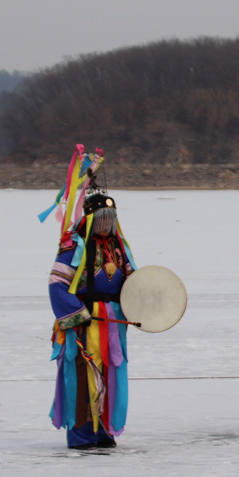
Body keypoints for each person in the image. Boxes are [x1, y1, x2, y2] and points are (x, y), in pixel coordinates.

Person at [44, 146, 136, 450]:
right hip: (86, 322)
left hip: (113, 322)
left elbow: (134, 282)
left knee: (111, 373)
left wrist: (141, 306)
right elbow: (57, 284)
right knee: (83, 376)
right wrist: (77, 314)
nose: (108, 223)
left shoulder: (120, 249)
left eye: (112, 217)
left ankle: (105, 430)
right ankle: (83, 433)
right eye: (103, 217)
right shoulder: (74, 247)